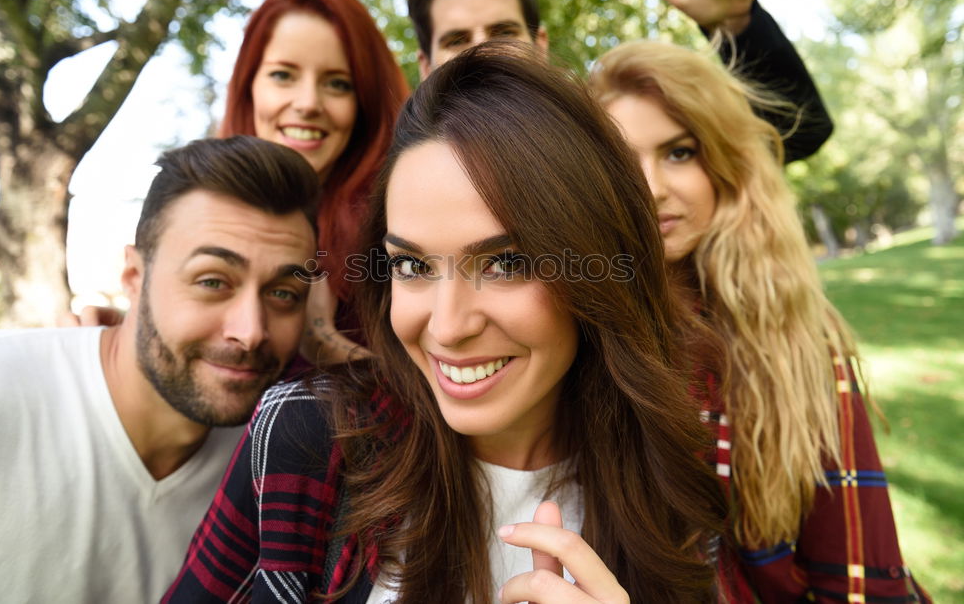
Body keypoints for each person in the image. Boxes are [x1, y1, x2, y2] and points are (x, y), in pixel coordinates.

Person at [164, 44, 727, 603]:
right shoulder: (306, 437)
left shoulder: (674, 470)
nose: (449, 326)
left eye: (507, 263)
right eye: (412, 266)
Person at [589, 40, 930, 603]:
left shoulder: (798, 337)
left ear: (726, 164)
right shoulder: (581, 327)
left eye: (679, 152)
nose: (650, 187)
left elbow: (855, 572)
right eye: (624, 162)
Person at [0, 136, 320, 603]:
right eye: (212, 281)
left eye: (283, 293)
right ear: (133, 276)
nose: (251, 331)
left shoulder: (280, 466)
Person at [70, 0, 410, 366]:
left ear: (364, 104)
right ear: (249, 87)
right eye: (283, 75)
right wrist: (134, 331)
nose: (307, 103)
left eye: (337, 84)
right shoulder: (191, 207)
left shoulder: (396, 235)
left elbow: (436, 399)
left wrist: (322, 342)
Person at [406, 0, 832, 163]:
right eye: (457, 40)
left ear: (539, 45)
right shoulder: (400, 182)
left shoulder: (608, 137)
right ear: (426, 65)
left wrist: (735, 22)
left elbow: (799, 131)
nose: (485, 53)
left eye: (503, 31)